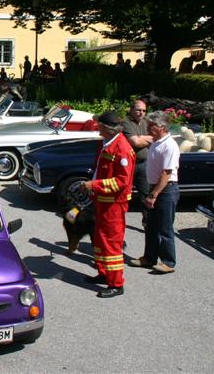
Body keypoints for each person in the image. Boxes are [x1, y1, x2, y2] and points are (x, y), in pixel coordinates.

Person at [81, 111, 135, 298]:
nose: (97, 129)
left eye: (100, 127)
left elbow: (122, 181)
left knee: (111, 242)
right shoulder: (108, 144)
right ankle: (104, 273)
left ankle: (116, 284)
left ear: (107, 128)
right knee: (100, 239)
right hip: (102, 201)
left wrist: (94, 185)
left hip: (113, 205)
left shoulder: (121, 149)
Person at [129, 111, 181, 274]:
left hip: (165, 190)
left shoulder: (169, 145)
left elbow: (166, 173)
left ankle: (168, 262)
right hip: (155, 188)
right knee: (151, 226)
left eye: (152, 126)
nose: (149, 128)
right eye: (149, 125)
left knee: (165, 227)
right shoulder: (156, 142)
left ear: (163, 127)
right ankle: (149, 257)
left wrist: (154, 195)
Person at [121, 99, 153, 225]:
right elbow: (135, 142)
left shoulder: (145, 122)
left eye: (144, 110)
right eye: (138, 110)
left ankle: (147, 222)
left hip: (143, 165)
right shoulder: (126, 122)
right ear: (131, 110)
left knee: (145, 195)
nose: (141, 113)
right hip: (128, 166)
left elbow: (155, 137)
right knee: (123, 195)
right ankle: (118, 221)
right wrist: (146, 139)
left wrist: (141, 138)